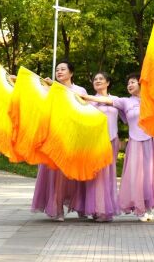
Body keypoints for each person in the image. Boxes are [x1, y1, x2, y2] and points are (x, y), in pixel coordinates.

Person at [82, 73, 154, 222]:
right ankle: (144, 209)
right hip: (136, 142)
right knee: (139, 177)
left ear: (141, 84)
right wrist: (88, 97)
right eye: (128, 83)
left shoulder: (153, 99)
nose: (129, 85)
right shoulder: (125, 102)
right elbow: (106, 100)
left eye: (133, 82)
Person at [31, 61, 87, 221]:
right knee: (55, 175)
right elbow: (32, 90)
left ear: (71, 73)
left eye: (63, 69)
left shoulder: (79, 90)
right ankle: (56, 209)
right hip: (53, 137)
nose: (59, 72)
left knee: (73, 175)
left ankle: (80, 206)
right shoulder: (49, 89)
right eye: (57, 70)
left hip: (73, 138)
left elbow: (85, 111)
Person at [67, 72, 121, 222]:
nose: (97, 81)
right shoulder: (88, 103)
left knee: (108, 175)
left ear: (107, 82)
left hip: (111, 140)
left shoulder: (115, 99)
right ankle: (95, 209)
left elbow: (129, 115)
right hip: (94, 143)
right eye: (95, 79)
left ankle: (104, 210)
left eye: (100, 79)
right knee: (95, 176)